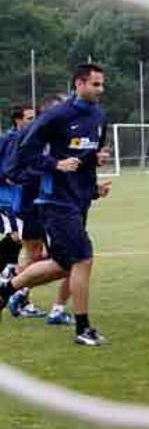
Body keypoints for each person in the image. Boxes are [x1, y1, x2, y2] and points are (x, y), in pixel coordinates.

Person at [0, 63, 112, 346]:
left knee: (64, 264)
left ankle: (6, 289)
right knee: (83, 258)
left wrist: (94, 183)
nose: (101, 89)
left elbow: (86, 158)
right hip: (55, 201)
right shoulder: (56, 116)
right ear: (79, 83)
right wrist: (55, 163)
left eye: (102, 84)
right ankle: (83, 329)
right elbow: (26, 153)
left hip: (80, 199)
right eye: (95, 84)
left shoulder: (99, 116)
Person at [2, 95, 73, 325]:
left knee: (47, 256)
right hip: (31, 206)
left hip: (46, 205)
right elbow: (11, 171)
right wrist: (40, 173)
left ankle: (17, 288)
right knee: (61, 258)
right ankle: (14, 284)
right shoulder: (21, 138)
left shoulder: (54, 137)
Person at [0, 104, 43, 319]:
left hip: (34, 203)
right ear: (18, 120)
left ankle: (14, 283)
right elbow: (8, 172)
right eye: (29, 118)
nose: (33, 121)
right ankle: (13, 283)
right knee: (30, 252)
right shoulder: (12, 140)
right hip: (13, 203)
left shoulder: (31, 139)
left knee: (35, 252)